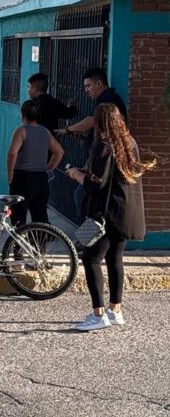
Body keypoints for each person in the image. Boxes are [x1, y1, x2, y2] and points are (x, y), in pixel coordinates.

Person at [65, 103, 156, 331]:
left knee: (91, 259)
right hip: (125, 212)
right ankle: (115, 310)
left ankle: (98, 315)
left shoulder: (104, 146)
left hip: (106, 214)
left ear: (100, 122)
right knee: (115, 259)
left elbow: (95, 184)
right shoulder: (129, 142)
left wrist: (76, 174)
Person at [57, 68, 128, 220]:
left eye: (88, 86)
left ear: (99, 83)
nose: (86, 90)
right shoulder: (104, 100)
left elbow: (91, 121)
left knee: (83, 194)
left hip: (104, 166)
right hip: (98, 163)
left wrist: (68, 129)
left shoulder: (107, 101)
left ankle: (88, 235)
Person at [7, 99, 65, 227]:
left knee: (18, 216)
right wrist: (48, 168)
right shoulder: (45, 132)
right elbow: (59, 152)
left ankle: (17, 246)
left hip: (22, 178)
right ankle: (40, 245)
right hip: (40, 178)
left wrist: (10, 173)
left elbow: (12, 153)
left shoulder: (21, 131)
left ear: (23, 115)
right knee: (40, 218)